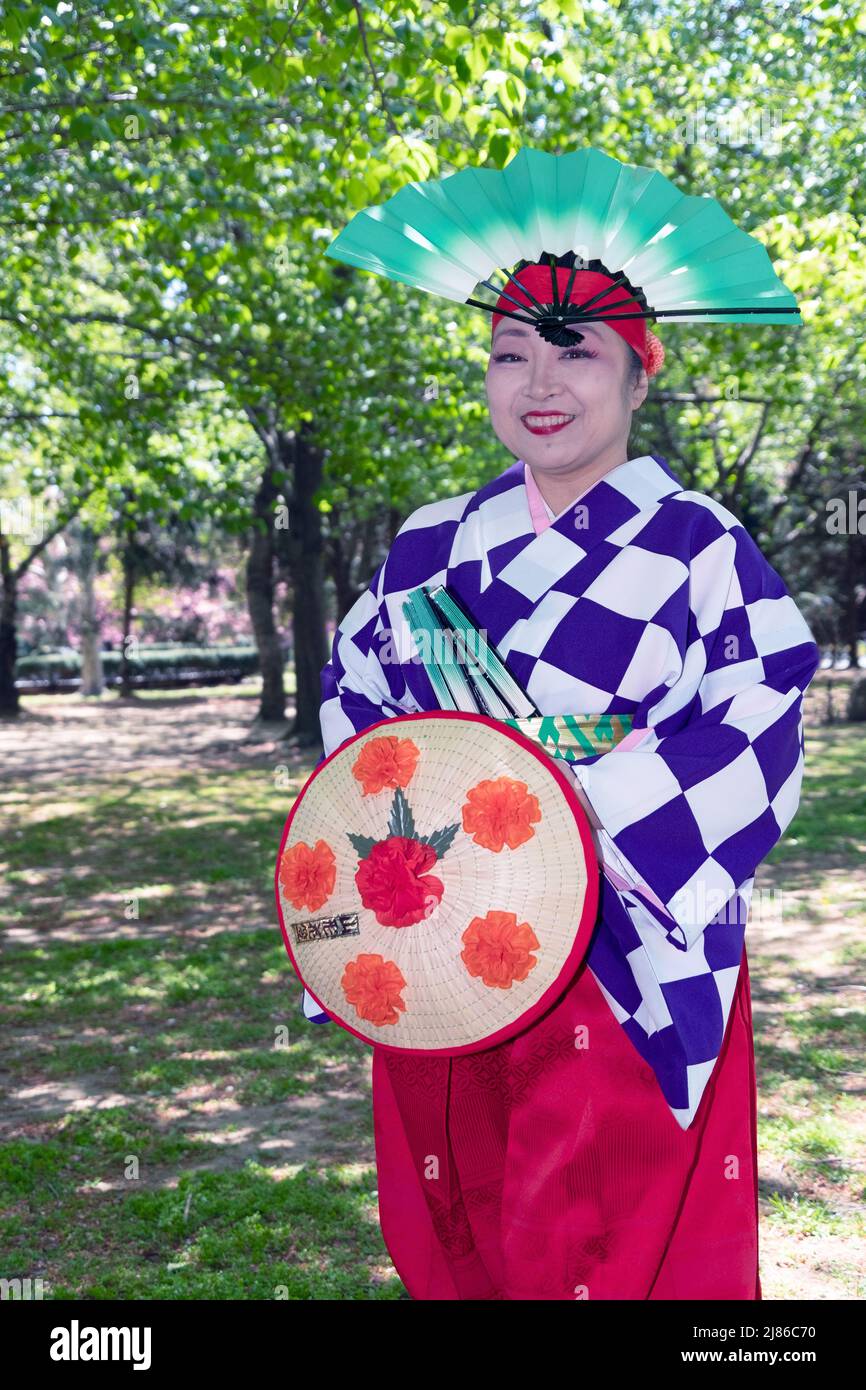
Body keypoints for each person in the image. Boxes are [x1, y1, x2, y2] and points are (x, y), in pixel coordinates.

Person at [304, 259, 821, 1300]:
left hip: (626, 929)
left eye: (573, 351)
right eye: (509, 354)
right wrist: (420, 833)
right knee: (460, 1211)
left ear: (640, 376)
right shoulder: (425, 547)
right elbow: (353, 711)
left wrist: (560, 811)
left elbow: (758, 722)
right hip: (447, 937)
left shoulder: (695, 544)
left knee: (608, 1229)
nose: (537, 382)